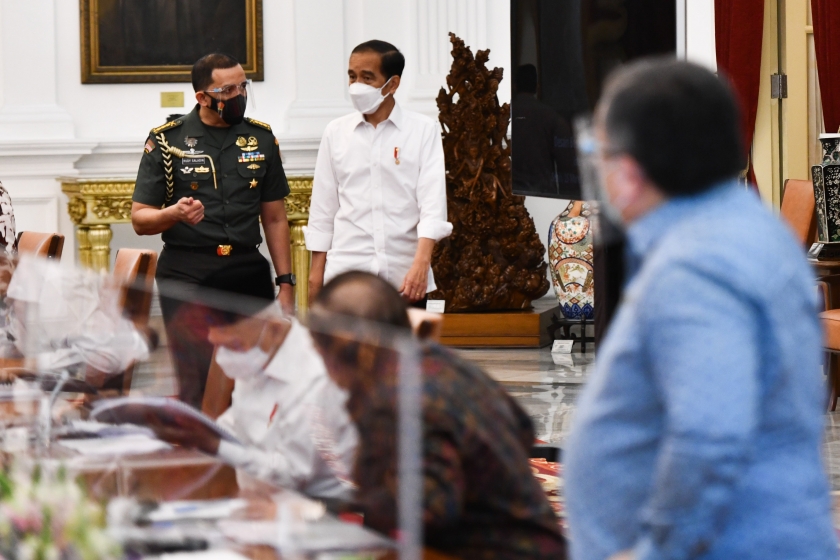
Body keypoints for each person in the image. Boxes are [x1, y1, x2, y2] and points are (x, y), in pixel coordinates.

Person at [563, 58, 837, 560]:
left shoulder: (698, 265)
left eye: (599, 151)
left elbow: (709, 437)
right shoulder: (748, 228)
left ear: (630, 166)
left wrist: (656, 548)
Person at [309, 271, 566, 559]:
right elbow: (522, 427)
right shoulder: (435, 358)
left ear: (352, 346)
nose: (322, 362)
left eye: (323, 346)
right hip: (541, 540)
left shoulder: (394, 396)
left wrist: (334, 504)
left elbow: (430, 510)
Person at [131, 52, 295, 407]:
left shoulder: (261, 139)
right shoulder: (166, 141)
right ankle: (199, 455)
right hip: (188, 271)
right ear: (203, 97)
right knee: (198, 375)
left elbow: (276, 218)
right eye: (228, 89)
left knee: (253, 376)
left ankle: (245, 457)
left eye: (242, 86)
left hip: (244, 270)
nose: (239, 95)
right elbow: (140, 219)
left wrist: (286, 282)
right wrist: (173, 213)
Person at [149, 273, 357, 499]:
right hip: (259, 503)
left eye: (233, 346)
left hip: (317, 514)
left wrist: (215, 445)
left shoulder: (315, 377)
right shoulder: (257, 354)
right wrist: (195, 433)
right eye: (219, 346)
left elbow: (295, 475)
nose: (224, 357)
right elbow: (239, 422)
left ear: (275, 329)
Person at [305, 40, 452, 306]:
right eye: (352, 76)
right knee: (346, 349)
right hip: (346, 276)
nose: (357, 85)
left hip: (405, 278)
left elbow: (432, 205)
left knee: (405, 348)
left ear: (392, 84)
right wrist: (316, 277)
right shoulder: (335, 132)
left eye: (367, 77)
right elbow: (322, 210)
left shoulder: (422, 130)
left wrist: (421, 263)